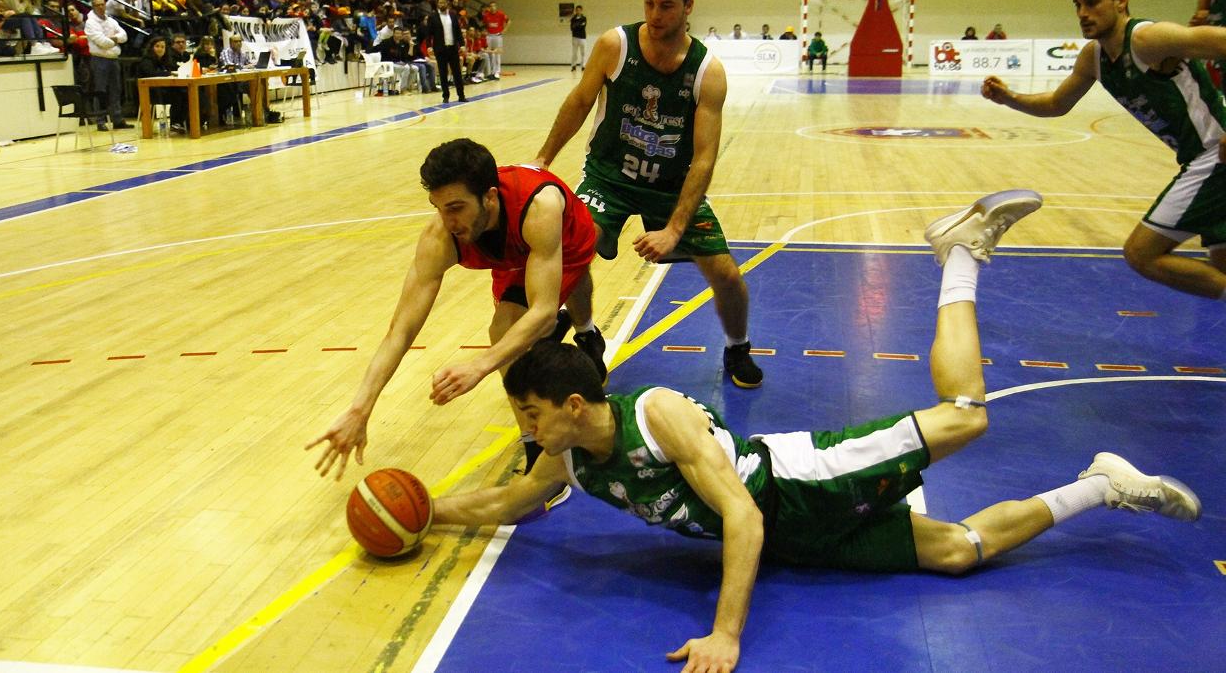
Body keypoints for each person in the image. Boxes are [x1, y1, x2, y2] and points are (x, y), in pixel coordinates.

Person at [431, 190, 1200, 673]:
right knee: (961, 552)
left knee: (971, 416)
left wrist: (724, 635)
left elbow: (740, 513)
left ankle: (959, 253)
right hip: (796, 536)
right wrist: (427, 512)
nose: (523, 429)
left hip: (807, 479)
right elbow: (507, 501)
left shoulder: (656, 411)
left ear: (570, 405)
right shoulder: (575, 464)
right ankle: (1104, 482)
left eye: (529, 413)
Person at [306, 139, 606, 482]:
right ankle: (535, 446)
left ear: (490, 197)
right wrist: (360, 409)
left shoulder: (540, 207)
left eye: (456, 207)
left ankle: (587, 333)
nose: (447, 220)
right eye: (438, 207)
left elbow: (543, 312)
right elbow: (400, 331)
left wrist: (478, 366)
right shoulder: (441, 236)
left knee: (532, 316)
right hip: (515, 253)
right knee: (508, 331)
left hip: (565, 238)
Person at [534, 0, 765, 389]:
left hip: (671, 187)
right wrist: (543, 158)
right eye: (648, 3)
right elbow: (580, 102)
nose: (655, 15)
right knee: (568, 252)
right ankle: (587, 335)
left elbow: (704, 158)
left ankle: (738, 346)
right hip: (609, 177)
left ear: (689, 6)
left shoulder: (706, 71)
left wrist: (674, 229)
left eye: (667, 6)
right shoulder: (614, 45)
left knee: (727, 275)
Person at [981, 0, 1226, 302]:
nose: (1083, 12)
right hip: (1200, 159)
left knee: (1142, 254)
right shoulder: (1093, 57)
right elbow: (1056, 104)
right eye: (1078, 4)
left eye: (1093, 2)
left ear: (1121, 0)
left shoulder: (1148, 39)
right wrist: (1009, 98)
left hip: (1215, 157)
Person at [84, 0, 129, 131]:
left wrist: (113, 39)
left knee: (116, 90)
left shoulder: (111, 21)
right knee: (100, 91)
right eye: (97, 5)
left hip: (113, 59)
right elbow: (102, 42)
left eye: (102, 4)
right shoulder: (90, 23)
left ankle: (117, 119)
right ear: (93, 7)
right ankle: (100, 120)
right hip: (99, 59)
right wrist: (115, 40)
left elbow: (124, 36)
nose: (101, 7)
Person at [136, 35, 186, 132]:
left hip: (163, 90)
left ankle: (181, 122)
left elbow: (175, 69)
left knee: (185, 93)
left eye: (162, 47)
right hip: (150, 93)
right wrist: (169, 73)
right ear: (152, 48)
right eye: (157, 46)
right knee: (179, 94)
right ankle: (175, 123)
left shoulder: (165, 61)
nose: (160, 49)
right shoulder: (146, 60)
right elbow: (151, 74)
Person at [426, 0, 466, 103]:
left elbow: (458, 31)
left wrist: (462, 44)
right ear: (437, 4)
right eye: (440, 3)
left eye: (443, 2)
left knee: (457, 72)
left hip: (452, 48)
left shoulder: (453, 15)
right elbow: (429, 33)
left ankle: (461, 95)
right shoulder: (433, 16)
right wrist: (429, 46)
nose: (442, 4)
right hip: (440, 48)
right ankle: (445, 96)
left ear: (447, 3)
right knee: (443, 73)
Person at [480, 1, 507, 79]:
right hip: (489, 35)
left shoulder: (501, 14)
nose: (492, 7)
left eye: (494, 6)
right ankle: (491, 71)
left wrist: (504, 30)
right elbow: (484, 24)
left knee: (497, 53)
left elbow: (508, 21)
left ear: (496, 7)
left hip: (497, 35)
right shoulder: (486, 15)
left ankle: (497, 71)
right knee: (490, 53)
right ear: (489, 7)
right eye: (491, 6)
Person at [569, 4, 587, 72]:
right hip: (575, 37)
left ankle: (583, 66)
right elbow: (571, 28)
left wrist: (576, 26)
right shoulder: (573, 19)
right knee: (574, 53)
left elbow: (582, 26)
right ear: (575, 11)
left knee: (583, 53)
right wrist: (578, 25)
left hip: (582, 38)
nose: (578, 11)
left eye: (579, 10)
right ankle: (573, 66)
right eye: (577, 10)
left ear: (581, 11)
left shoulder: (584, 18)